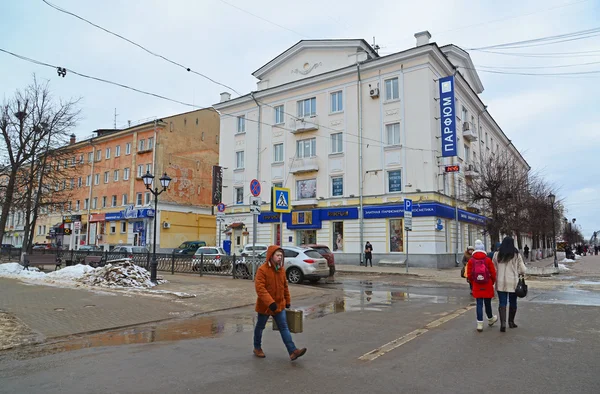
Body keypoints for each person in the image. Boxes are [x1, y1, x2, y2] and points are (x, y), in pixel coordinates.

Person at [253, 245, 307, 361]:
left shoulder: (281, 269)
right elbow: (260, 289)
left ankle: (293, 351)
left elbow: (285, 286)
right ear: (271, 256)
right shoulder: (262, 270)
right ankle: (257, 347)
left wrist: (287, 300)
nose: (279, 257)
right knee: (260, 327)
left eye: (281, 255)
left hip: (279, 305)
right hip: (266, 306)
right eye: (277, 255)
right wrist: (270, 302)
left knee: (284, 327)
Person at [493, 236, 527, 332]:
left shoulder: (497, 254)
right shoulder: (516, 255)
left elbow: (493, 268)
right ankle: (511, 322)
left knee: (502, 302)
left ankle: (503, 324)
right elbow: (522, 269)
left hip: (500, 282)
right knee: (513, 302)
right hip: (513, 282)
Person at [467, 240, 497, 332]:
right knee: (487, 303)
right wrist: (491, 282)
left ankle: (479, 324)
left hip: (477, 285)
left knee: (479, 304)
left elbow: (469, 275)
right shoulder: (487, 260)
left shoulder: (471, 260)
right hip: (487, 284)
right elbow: (493, 273)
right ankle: (490, 319)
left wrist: (473, 282)